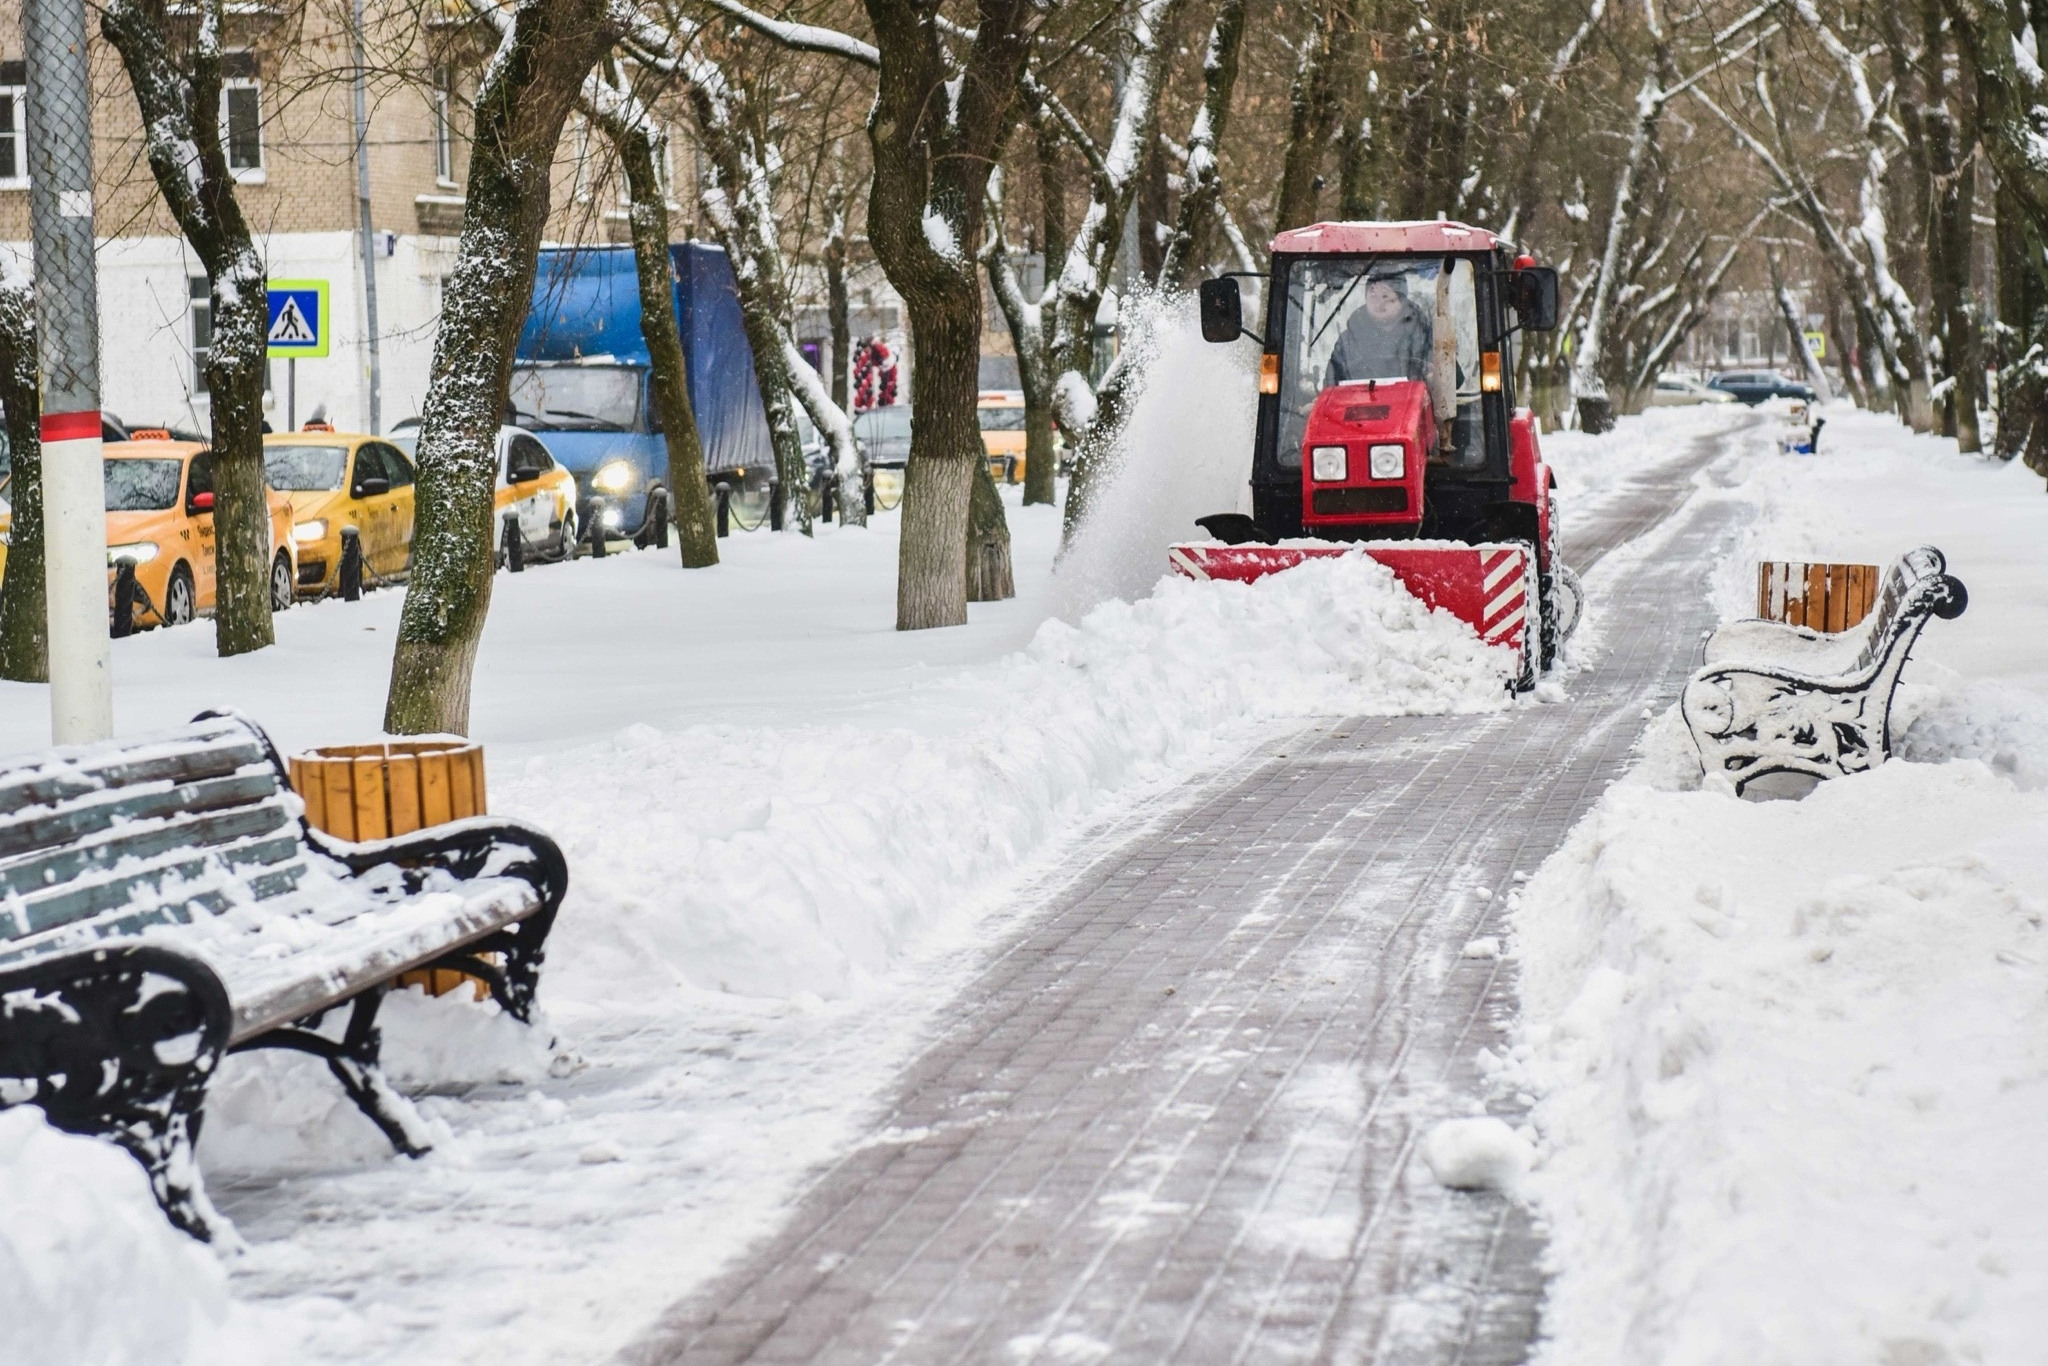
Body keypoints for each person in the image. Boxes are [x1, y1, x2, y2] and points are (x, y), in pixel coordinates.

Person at [1326, 277, 1433, 386]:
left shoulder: (1423, 336)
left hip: (1414, 402)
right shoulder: (1348, 341)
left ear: (1402, 301)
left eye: (1386, 297)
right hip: (1358, 402)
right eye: (1373, 296)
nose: (1380, 303)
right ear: (1366, 298)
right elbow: (1331, 385)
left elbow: (1439, 381)